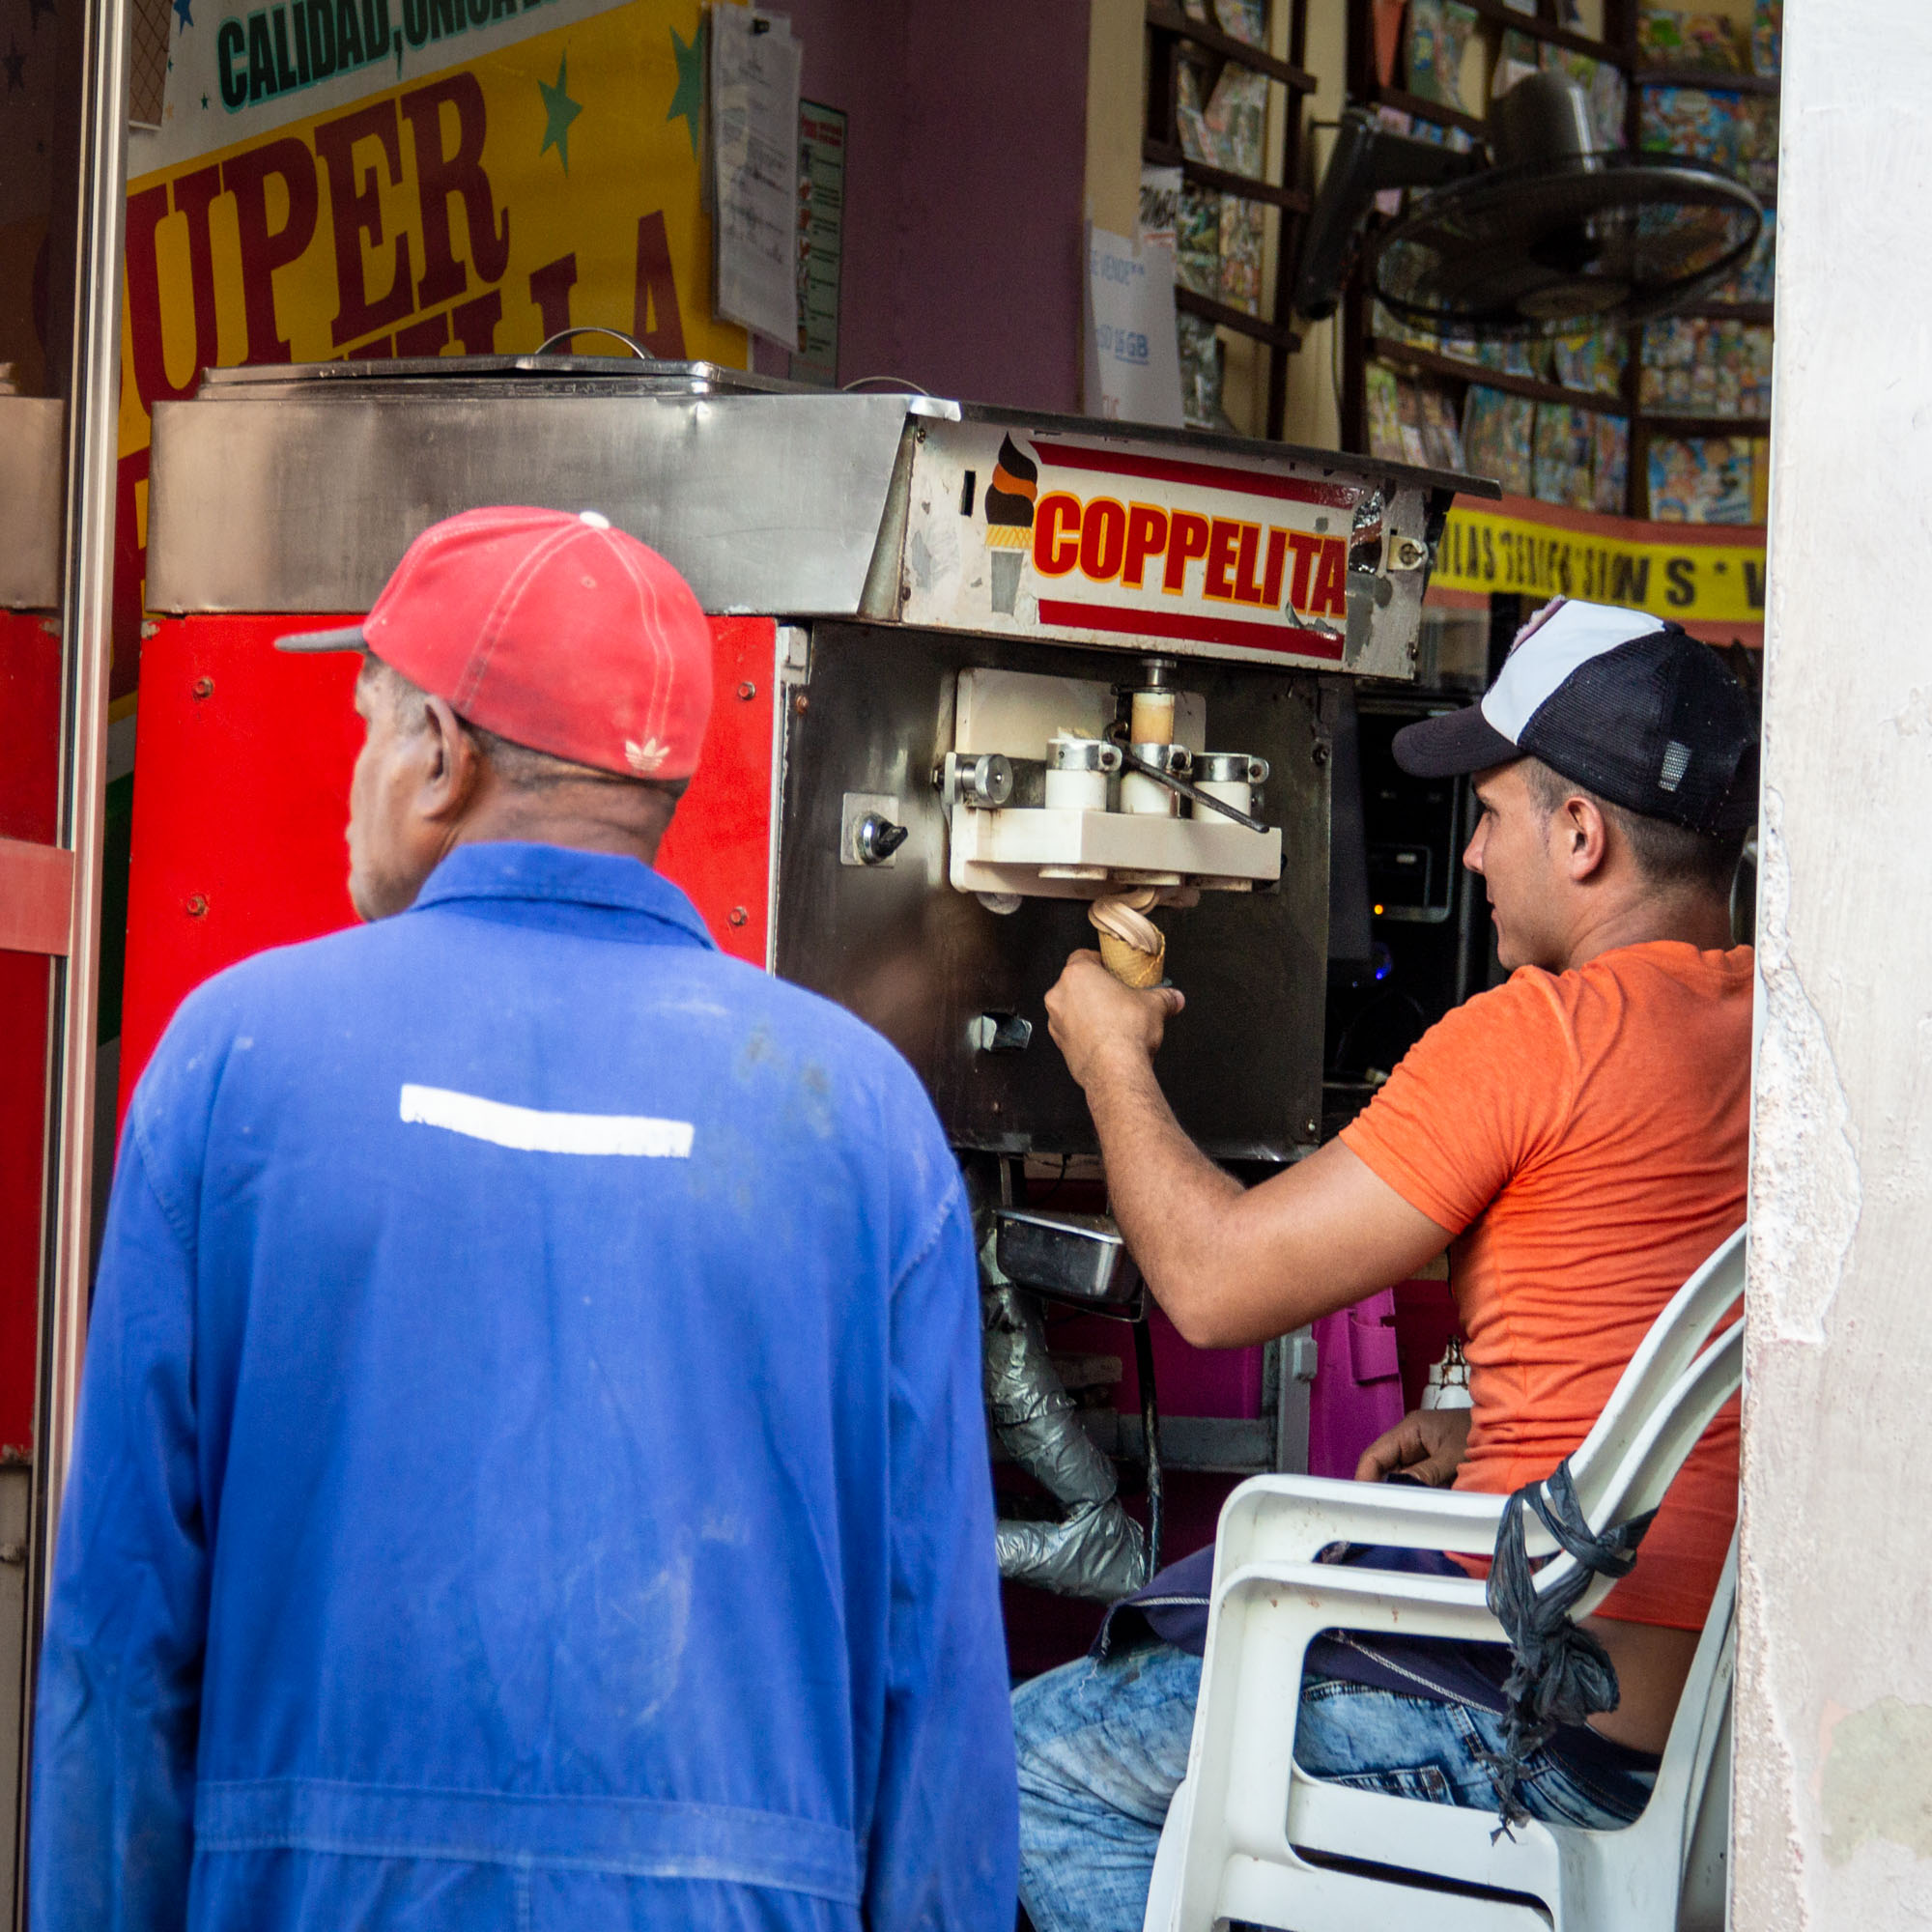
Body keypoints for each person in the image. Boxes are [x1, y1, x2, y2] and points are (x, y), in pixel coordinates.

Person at [32, 506, 1017, 1932]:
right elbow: (939, 1680)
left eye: (368, 726)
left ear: (440, 754)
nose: (356, 780)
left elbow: (122, 1641)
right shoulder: (859, 1118)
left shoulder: (235, 1060)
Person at [1011, 598, 1758, 1932]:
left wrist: (1111, 1063)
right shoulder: (1780, 1028)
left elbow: (1214, 1285)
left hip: (1529, 1719)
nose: (1470, 854)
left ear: (1580, 836)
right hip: (1698, 1728)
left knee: (1019, 1771)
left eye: (1491, 814)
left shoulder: (1536, 1037)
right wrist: (1500, 1426)